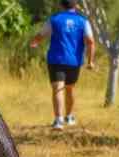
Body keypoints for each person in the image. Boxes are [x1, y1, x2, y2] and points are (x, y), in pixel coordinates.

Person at [31, 0, 97, 130]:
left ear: (60, 5)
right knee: (69, 88)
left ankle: (58, 120)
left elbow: (41, 34)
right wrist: (90, 61)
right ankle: (69, 116)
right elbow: (90, 41)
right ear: (76, 5)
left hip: (57, 59)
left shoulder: (54, 19)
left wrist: (34, 42)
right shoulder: (83, 21)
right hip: (74, 61)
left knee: (57, 88)